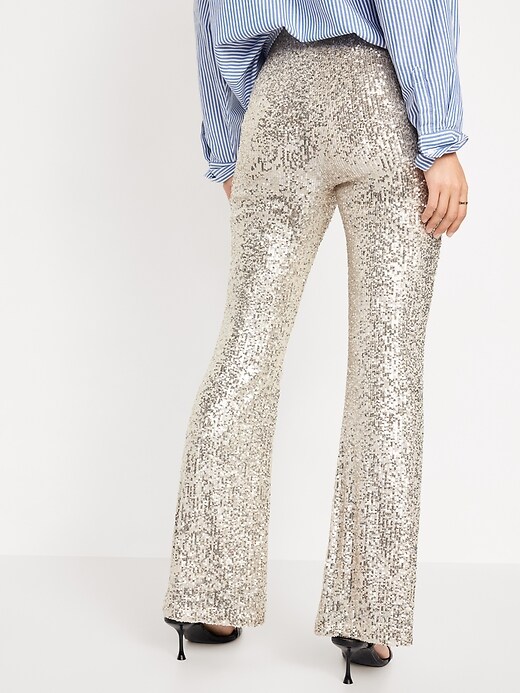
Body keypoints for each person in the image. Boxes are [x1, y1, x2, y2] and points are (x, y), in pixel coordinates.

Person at [162, 0, 469, 685]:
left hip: (274, 106)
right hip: (380, 95)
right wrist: (440, 138)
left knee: (244, 351)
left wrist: (228, 148)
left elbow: (211, 23)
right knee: (387, 368)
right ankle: (367, 615)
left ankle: (205, 595)